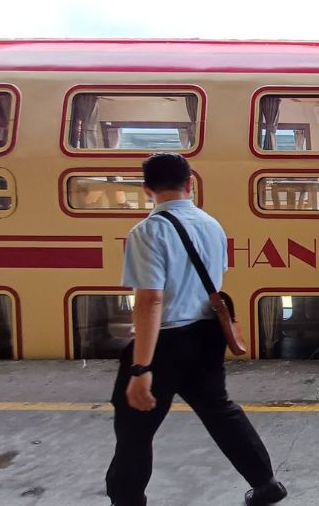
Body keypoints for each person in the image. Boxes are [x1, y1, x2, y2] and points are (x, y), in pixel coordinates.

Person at [105, 153, 287, 506]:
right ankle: (266, 484)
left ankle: (126, 500)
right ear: (190, 184)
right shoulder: (211, 224)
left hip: (164, 342)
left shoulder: (147, 232)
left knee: (134, 428)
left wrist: (141, 368)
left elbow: (150, 302)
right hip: (206, 335)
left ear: (147, 189)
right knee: (220, 412)